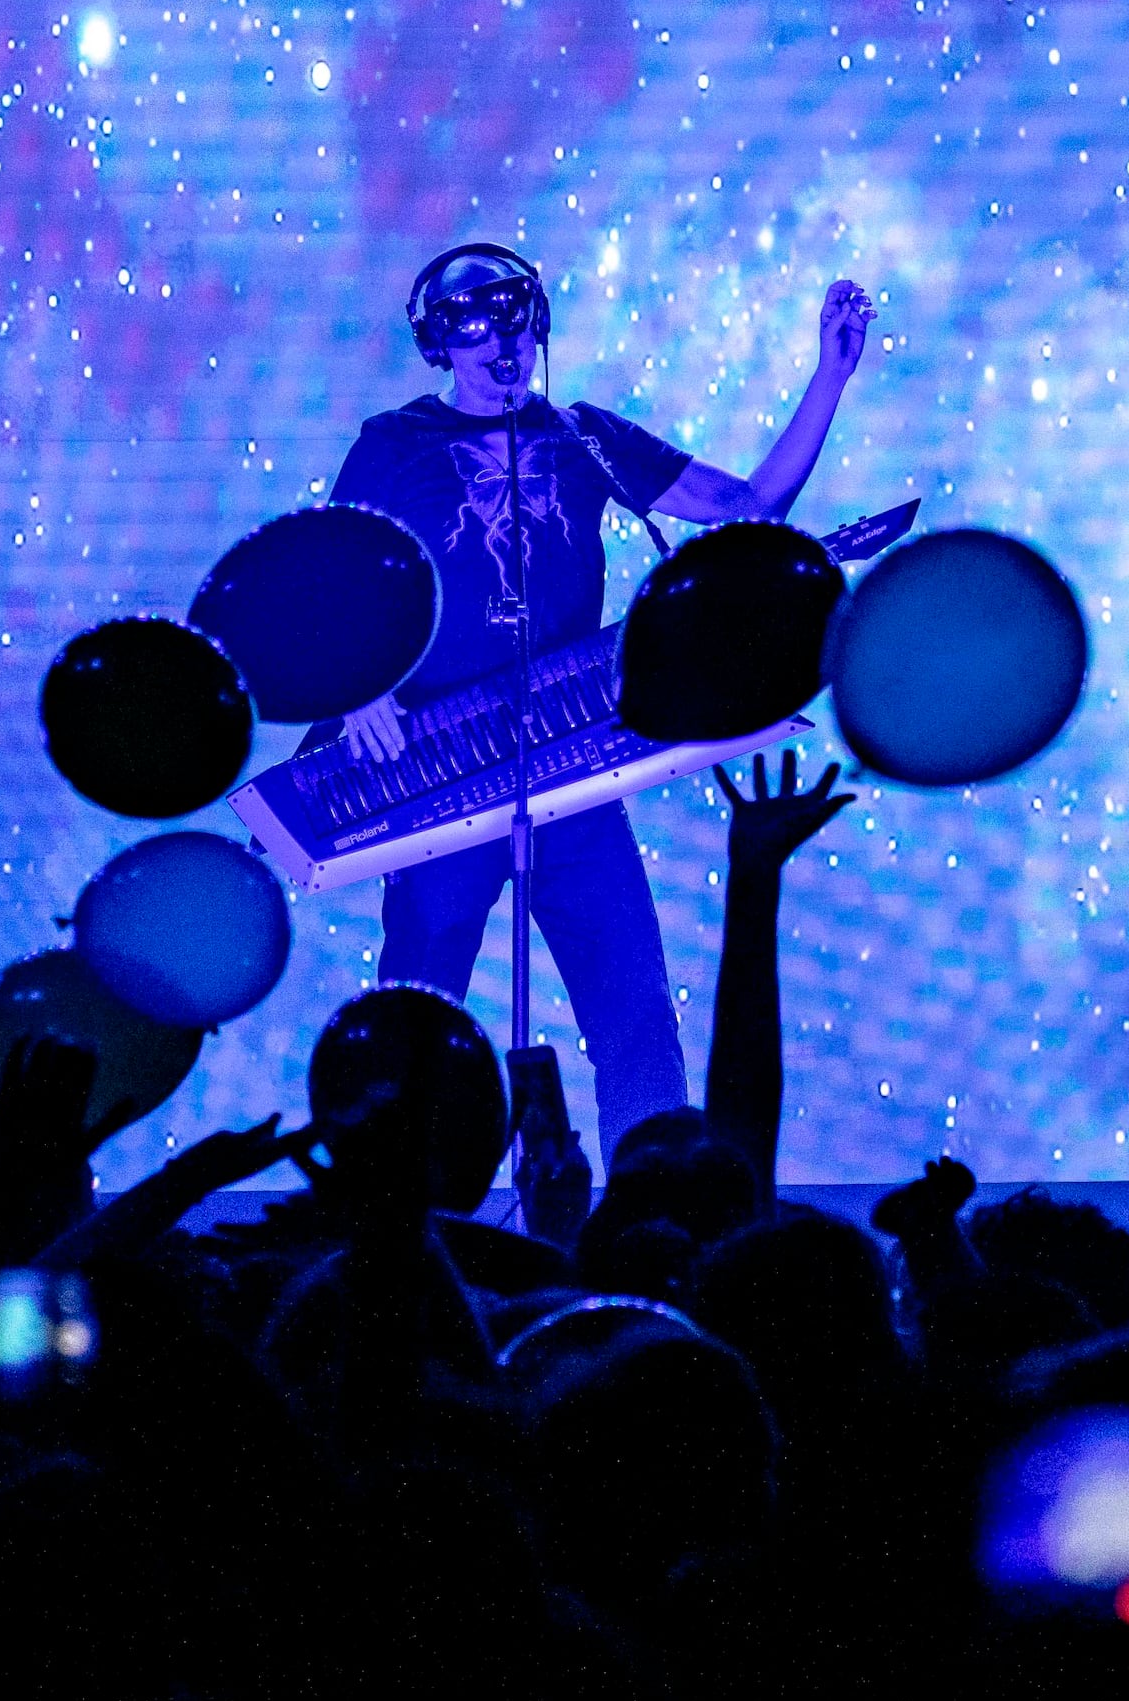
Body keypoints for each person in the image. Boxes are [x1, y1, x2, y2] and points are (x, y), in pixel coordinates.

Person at [321, 244, 873, 1139]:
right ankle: (398, 1225)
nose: (496, 341)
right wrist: (360, 689)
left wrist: (829, 379)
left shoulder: (586, 438)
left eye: (511, 316)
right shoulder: (394, 444)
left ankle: (654, 1210)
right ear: (437, 343)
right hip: (440, 770)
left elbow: (752, 505)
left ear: (537, 321)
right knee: (416, 1020)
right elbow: (327, 574)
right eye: (469, 324)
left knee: (636, 1012)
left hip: (573, 769)